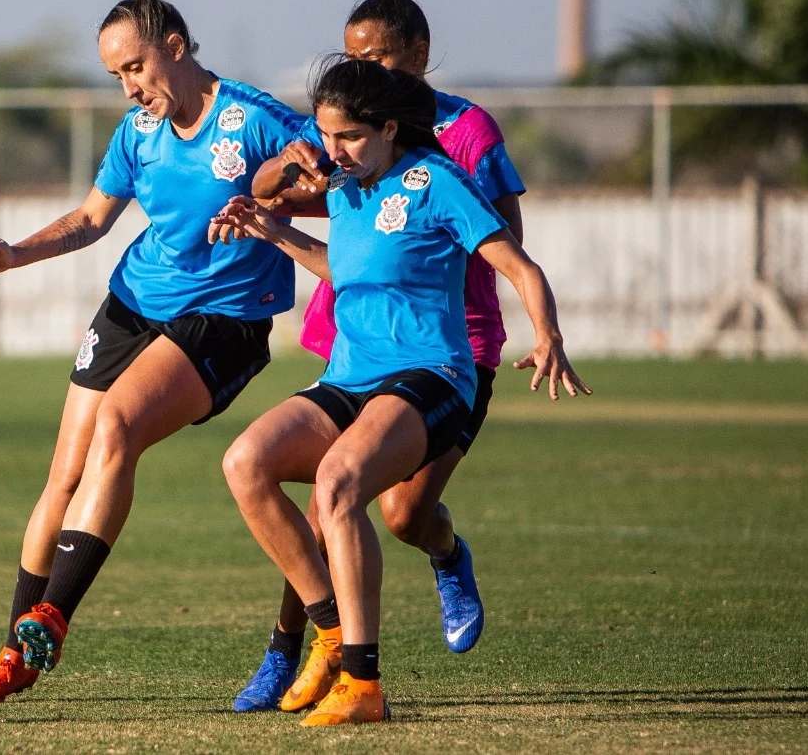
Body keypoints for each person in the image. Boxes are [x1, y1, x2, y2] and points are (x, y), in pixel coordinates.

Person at [0, 0, 306, 706]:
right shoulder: (137, 131)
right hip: (132, 303)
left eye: (136, 69)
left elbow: (336, 179)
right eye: (115, 75)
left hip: (223, 321)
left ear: (174, 48)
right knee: (64, 474)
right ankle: (15, 651)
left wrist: (274, 201)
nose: (129, 89)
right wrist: (12, 252)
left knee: (118, 426)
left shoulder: (256, 119)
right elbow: (90, 219)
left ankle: (50, 617)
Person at [212, 58, 589, 725]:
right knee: (245, 463)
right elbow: (344, 268)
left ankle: (363, 684)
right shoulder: (345, 186)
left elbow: (519, 264)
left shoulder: (437, 182)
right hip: (350, 377)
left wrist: (548, 332)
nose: (334, 151)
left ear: (389, 127)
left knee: (339, 484)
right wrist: (271, 229)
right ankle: (329, 627)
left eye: (350, 137)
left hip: (432, 375)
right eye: (328, 136)